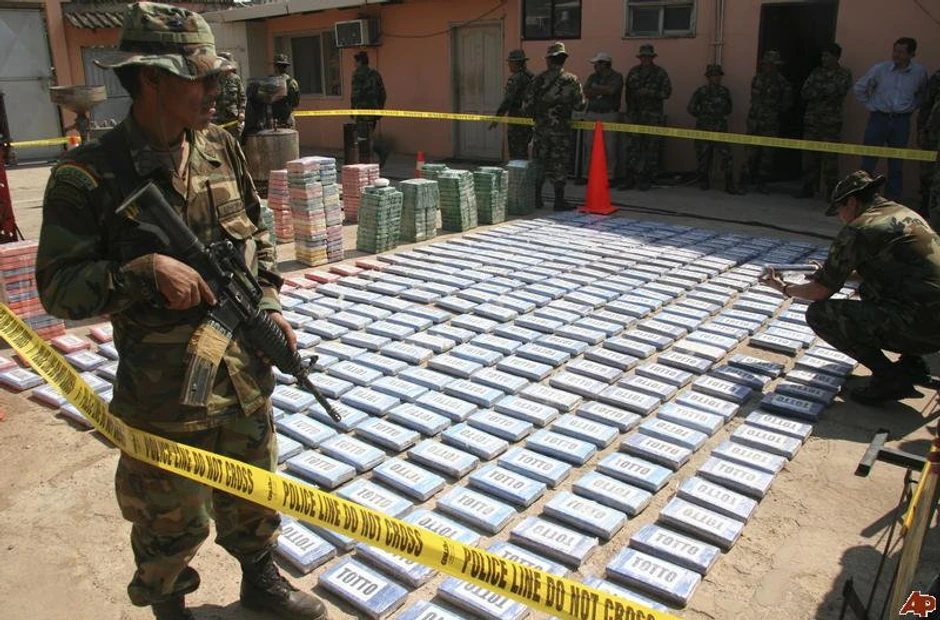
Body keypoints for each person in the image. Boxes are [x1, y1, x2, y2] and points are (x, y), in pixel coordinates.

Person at [34, 4, 329, 620]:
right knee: (168, 517)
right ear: (152, 79)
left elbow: (259, 234)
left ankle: (260, 580)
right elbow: (59, 291)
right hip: (164, 394)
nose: (216, 90)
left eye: (217, 76)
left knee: (255, 494)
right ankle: (168, 605)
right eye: (201, 78)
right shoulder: (88, 176)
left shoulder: (222, 147)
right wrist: (141, 274)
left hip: (244, 376)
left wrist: (268, 303)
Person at [760, 170, 940, 404]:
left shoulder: (859, 229)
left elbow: (819, 292)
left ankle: (890, 378)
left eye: (839, 210)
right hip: (933, 322)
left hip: (924, 329)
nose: (840, 217)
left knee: (820, 314)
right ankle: (912, 364)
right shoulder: (903, 213)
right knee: (872, 290)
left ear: (852, 202)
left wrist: (784, 288)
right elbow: (886, 269)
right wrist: (837, 271)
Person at [853, 37, 929, 202]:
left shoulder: (919, 73)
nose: (896, 55)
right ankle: (863, 198)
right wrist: (871, 105)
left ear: (912, 54)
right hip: (879, 118)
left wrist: (912, 106)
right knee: (868, 161)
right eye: (895, 51)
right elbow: (859, 88)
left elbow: (924, 94)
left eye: (901, 52)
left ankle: (892, 200)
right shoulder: (880, 69)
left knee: (896, 164)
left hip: (901, 121)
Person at [522, 41, 586, 211]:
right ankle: (559, 200)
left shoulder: (538, 80)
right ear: (564, 59)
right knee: (560, 163)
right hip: (561, 131)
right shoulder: (572, 80)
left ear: (549, 60)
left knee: (539, 162)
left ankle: (537, 198)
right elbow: (580, 105)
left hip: (541, 130)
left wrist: (539, 117)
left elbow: (526, 107)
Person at [797, 44, 853, 200]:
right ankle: (808, 187)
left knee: (830, 158)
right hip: (812, 120)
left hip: (831, 122)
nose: (824, 59)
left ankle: (831, 191)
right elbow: (805, 92)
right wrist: (824, 91)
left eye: (827, 56)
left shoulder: (844, 74)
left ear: (836, 57)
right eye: (823, 56)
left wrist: (820, 91)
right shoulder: (816, 72)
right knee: (808, 156)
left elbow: (838, 91)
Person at [740, 50, 793, 194]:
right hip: (754, 122)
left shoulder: (783, 83)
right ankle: (744, 181)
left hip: (770, 124)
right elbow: (754, 99)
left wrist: (772, 112)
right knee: (750, 153)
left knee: (767, 155)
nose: (767, 67)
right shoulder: (757, 79)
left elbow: (786, 104)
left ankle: (762, 183)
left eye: (770, 65)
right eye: (766, 64)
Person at [620, 44, 671, 191]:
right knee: (633, 147)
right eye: (643, 57)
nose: (645, 59)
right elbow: (628, 94)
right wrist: (629, 112)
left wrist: (649, 92)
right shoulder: (633, 72)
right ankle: (631, 177)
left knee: (651, 148)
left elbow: (667, 93)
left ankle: (647, 178)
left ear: (652, 58)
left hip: (652, 116)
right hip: (635, 115)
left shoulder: (660, 73)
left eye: (648, 57)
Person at [687, 64, 742, 194]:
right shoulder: (701, 91)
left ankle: (729, 183)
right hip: (704, 128)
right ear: (708, 77)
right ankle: (704, 180)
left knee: (727, 156)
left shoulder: (724, 92)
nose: (716, 78)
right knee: (703, 156)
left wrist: (718, 116)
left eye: (718, 75)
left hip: (720, 129)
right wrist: (703, 116)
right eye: (713, 76)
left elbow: (729, 109)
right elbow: (691, 108)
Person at [578, 52, 623, 186]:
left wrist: (596, 88)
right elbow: (586, 91)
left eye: (597, 64)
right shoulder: (593, 76)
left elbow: (612, 91)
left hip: (609, 114)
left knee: (610, 147)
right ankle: (587, 175)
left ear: (604, 64)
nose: (595, 66)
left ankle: (610, 176)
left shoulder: (616, 76)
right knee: (589, 145)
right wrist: (602, 90)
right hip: (592, 113)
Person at [489, 49, 534, 160]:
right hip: (528, 119)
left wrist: (497, 118)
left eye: (510, 62)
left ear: (516, 63)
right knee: (523, 152)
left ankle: (517, 171)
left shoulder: (516, 78)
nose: (508, 65)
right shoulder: (531, 76)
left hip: (517, 120)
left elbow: (508, 100)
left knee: (516, 153)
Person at [350, 50, 389, 165]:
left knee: (362, 138)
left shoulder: (357, 74)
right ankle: (371, 158)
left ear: (360, 62)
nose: (354, 64)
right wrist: (379, 109)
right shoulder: (375, 74)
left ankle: (378, 152)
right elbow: (383, 94)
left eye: (355, 61)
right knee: (368, 135)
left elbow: (355, 94)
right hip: (373, 112)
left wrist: (352, 110)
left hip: (362, 112)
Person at [917, 68, 940, 210]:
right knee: (928, 171)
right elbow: (926, 105)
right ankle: (927, 204)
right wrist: (921, 130)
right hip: (933, 134)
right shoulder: (937, 77)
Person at [213, 51, 246, 141]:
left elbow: (242, 97)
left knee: (234, 143)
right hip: (217, 119)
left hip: (232, 118)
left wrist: (242, 112)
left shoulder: (235, 79)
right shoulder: (213, 79)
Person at [270, 53, 301, 129]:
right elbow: (296, 103)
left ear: (275, 67)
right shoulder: (293, 82)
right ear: (286, 67)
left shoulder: (270, 82)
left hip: (273, 120)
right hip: (288, 119)